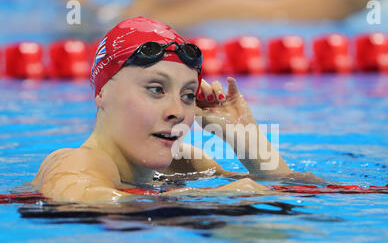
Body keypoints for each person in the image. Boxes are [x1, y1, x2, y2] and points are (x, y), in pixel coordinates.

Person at [32, 16, 325, 203]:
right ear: (102, 92)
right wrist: (204, 197)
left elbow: (289, 188)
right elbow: (86, 201)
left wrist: (244, 137)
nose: (178, 111)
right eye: (156, 90)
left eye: (187, 95)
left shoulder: (184, 163)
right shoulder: (74, 162)